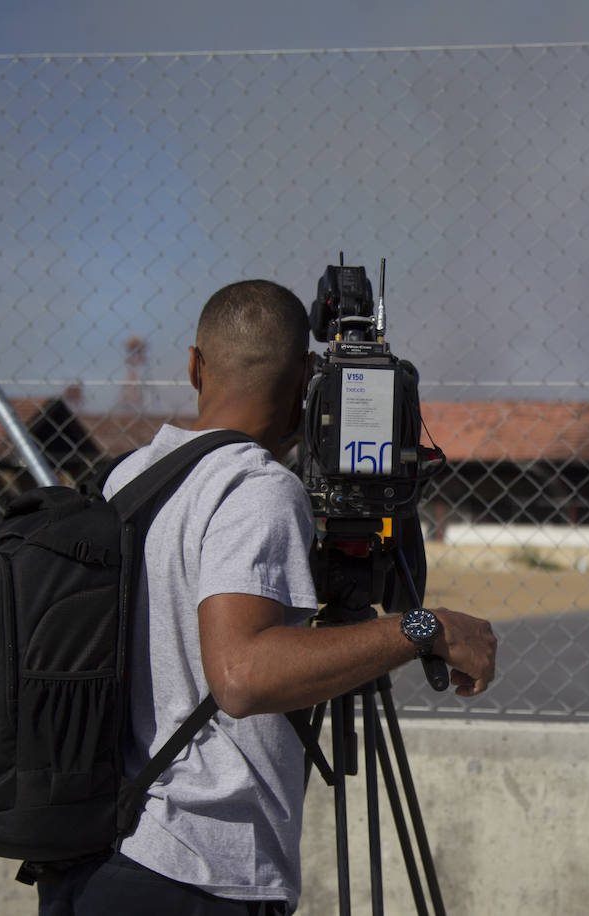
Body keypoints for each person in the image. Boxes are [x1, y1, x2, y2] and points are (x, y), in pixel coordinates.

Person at [38, 279, 498, 915]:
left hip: (102, 853)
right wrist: (422, 627)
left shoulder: (130, 476)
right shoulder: (257, 489)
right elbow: (242, 675)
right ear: (310, 377)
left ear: (194, 364)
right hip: (193, 872)